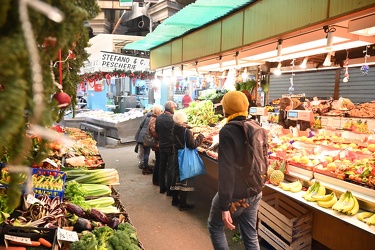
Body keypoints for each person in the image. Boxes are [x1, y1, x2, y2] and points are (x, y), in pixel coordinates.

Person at [208, 91, 262, 250]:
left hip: (236, 195)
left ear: (227, 108)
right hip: (255, 191)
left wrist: (225, 206)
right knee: (250, 235)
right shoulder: (256, 126)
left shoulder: (228, 131)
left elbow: (227, 171)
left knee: (215, 226)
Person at [170, 110, 204, 211]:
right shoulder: (186, 131)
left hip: (177, 155)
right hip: (185, 157)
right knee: (185, 178)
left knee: (177, 177)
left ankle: (175, 199)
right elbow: (192, 145)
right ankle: (183, 204)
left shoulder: (174, 128)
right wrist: (200, 137)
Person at [155, 101, 177, 194]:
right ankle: (169, 190)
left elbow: (156, 130)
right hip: (171, 146)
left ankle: (162, 188)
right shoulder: (173, 119)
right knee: (171, 168)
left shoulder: (159, 118)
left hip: (162, 145)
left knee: (162, 166)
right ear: (171, 108)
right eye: (174, 108)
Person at [147, 104, 163, 185]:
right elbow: (154, 133)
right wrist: (162, 136)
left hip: (157, 144)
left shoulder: (155, 118)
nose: (162, 112)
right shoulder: (154, 119)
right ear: (157, 111)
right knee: (158, 162)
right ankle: (156, 180)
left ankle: (156, 180)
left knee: (158, 161)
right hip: (157, 144)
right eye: (161, 111)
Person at [135, 109, 153, 174]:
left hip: (141, 135)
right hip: (147, 137)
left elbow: (141, 126)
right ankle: (145, 167)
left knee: (142, 150)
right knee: (146, 152)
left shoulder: (146, 116)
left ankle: (141, 163)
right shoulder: (153, 118)